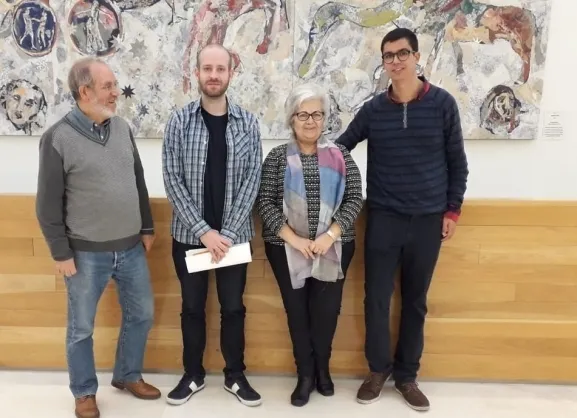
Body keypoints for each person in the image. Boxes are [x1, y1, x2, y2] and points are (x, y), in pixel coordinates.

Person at [336, 28, 469, 411]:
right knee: (376, 300)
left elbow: (457, 164)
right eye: (388, 55)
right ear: (383, 62)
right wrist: (309, 163)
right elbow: (342, 147)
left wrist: (452, 210)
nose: (395, 61)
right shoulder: (374, 110)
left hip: (428, 221)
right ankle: (378, 371)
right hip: (383, 218)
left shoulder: (442, 104)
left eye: (402, 53)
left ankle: (407, 377)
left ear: (416, 57)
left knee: (415, 302)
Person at [35, 57, 160, 418]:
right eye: (108, 86)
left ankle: (128, 375)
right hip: (84, 254)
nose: (115, 92)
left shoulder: (122, 128)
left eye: (114, 85)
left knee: (142, 314)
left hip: (131, 248)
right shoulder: (57, 138)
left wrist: (147, 226)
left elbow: (137, 180)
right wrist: (60, 252)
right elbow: (47, 204)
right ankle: (84, 392)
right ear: (85, 92)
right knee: (81, 328)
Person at [162, 44, 263, 407]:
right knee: (192, 308)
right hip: (190, 237)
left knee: (233, 308)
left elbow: (252, 180)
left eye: (221, 69)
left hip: (234, 239)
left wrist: (227, 235)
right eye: (208, 68)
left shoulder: (248, 123)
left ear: (231, 73)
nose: (214, 75)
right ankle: (192, 375)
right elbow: (172, 179)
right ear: (198, 73)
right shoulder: (179, 121)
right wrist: (204, 232)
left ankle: (235, 375)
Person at [256, 83, 363, 407]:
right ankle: (305, 374)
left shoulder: (341, 156)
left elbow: (354, 198)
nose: (310, 121)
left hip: (334, 247)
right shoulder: (277, 158)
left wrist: (328, 236)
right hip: (287, 249)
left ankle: (322, 370)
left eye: (317, 114)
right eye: (303, 114)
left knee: (326, 313)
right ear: (292, 119)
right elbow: (265, 203)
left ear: (324, 118)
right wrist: (296, 240)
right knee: (298, 313)